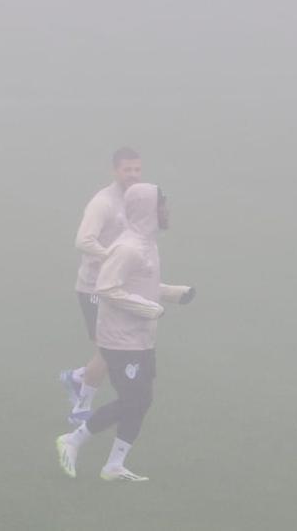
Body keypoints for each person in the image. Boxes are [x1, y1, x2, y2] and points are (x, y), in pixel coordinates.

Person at [56, 183, 195, 482]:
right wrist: (149, 308)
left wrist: (174, 293)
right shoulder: (128, 247)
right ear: (148, 210)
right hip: (120, 340)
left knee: (142, 400)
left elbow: (141, 286)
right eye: (162, 206)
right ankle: (73, 440)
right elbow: (106, 288)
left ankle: (114, 465)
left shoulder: (148, 244)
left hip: (141, 337)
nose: (166, 211)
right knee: (133, 399)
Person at [58, 147, 144, 424]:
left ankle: (77, 378)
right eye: (127, 170)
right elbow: (83, 241)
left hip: (120, 285)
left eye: (137, 169)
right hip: (95, 287)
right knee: (109, 350)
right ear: (115, 171)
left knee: (114, 347)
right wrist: (114, 257)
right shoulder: (103, 202)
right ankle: (80, 407)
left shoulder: (138, 199)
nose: (132, 175)